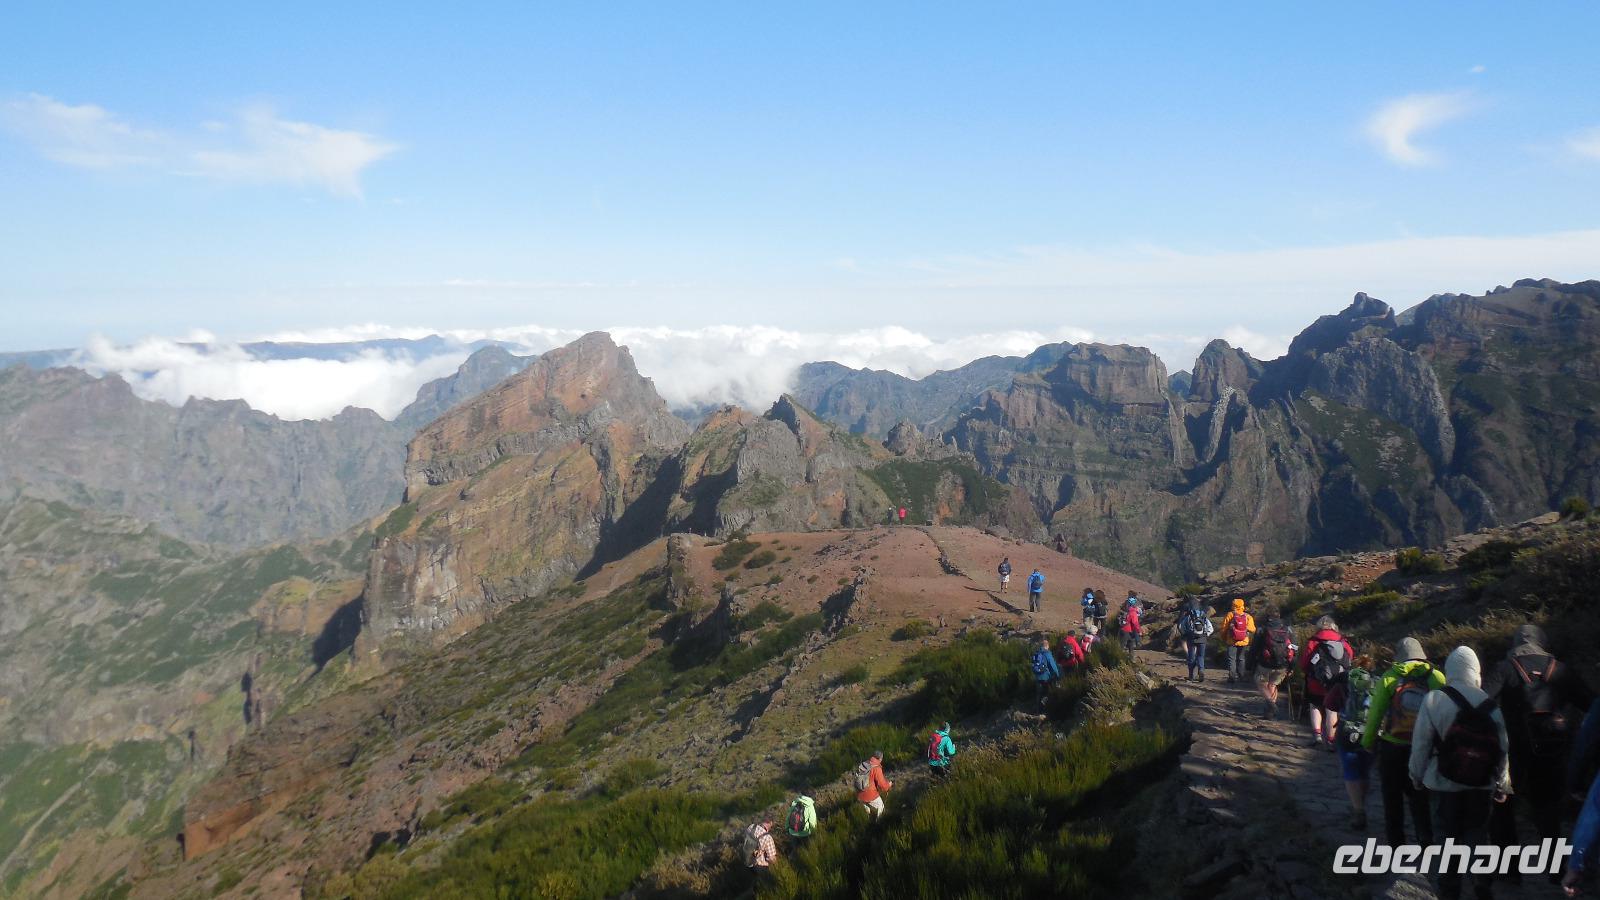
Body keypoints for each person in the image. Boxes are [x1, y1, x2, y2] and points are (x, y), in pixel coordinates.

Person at [1482, 623, 1595, 856]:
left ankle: (1509, 868)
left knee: (1504, 807)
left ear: (1515, 644)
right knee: (1548, 810)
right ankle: (1555, 866)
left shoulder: (1504, 668)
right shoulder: (1561, 670)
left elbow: (1481, 704)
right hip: (1552, 751)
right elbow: (1591, 705)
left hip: (1514, 752)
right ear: (1542, 642)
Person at [1410, 646, 1511, 900]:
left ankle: (1449, 889)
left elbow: (1421, 743)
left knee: (1446, 838)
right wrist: (1503, 784)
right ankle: (1481, 882)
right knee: (1478, 835)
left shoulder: (1434, 699)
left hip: (1443, 783)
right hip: (1481, 784)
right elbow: (1502, 748)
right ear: (1476, 671)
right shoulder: (1490, 705)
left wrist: (1416, 775)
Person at [1363, 637, 1446, 847]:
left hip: (1392, 744)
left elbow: (1376, 713)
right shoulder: (1436, 676)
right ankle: (1425, 837)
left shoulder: (1390, 677)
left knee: (1392, 796)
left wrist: (1368, 741)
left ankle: (1396, 841)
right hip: (1424, 745)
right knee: (1420, 795)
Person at [1327, 654, 1378, 829]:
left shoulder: (1343, 679)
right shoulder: (1379, 680)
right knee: (1365, 770)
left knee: (1350, 769)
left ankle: (1358, 809)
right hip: (1371, 731)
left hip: (1347, 730)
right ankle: (1361, 802)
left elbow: (1330, 703)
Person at [1299, 616, 1353, 750]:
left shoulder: (1314, 641)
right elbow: (1350, 657)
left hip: (1316, 681)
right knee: (1331, 709)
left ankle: (1317, 735)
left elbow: (1305, 662)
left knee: (1315, 705)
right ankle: (1330, 740)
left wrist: (1307, 672)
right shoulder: (1342, 641)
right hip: (1336, 681)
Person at [1251, 612, 1293, 719]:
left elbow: (1254, 648)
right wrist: (1291, 665)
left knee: (1260, 683)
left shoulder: (1262, 629)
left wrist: (1250, 663)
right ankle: (1270, 712)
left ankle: (1271, 704)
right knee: (1272, 685)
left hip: (1265, 663)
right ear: (1279, 617)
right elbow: (1294, 648)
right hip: (1282, 664)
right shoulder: (1288, 629)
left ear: (1268, 617)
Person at [1220, 599, 1256, 684]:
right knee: (1241, 658)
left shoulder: (1230, 614)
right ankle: (1241, 676)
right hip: (1243, 641)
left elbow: (1224, 628)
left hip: (1231, 641)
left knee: (1231, 659)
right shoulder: (1248, 616)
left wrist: (1224, 638)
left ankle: (1232, 677)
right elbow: (1253, 629)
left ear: (1233, 605)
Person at [1178, 596, 1213, 682]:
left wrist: (1185, 634)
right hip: (1202, 638)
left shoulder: (1189, 616)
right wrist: (1206, 634)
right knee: (1200, 656)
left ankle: (1191, 675)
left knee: (1191, 656)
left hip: (1191, 638)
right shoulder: (1203, 616)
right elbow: (1211, 629)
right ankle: (1201, 670)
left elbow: (1180, 627)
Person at [855, 751, 894, 819]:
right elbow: (882, 785)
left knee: (867, 814)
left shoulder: (865, 763)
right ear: (880, 759)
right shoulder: (876, 768)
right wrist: (889, 785)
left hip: (859, 793)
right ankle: (878, 825)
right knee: (880, 807)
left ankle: (866, 823)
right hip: (870, 794)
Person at [744, 817, 778, 882]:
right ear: (770, 823)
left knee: (753, 881)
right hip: (760, 865)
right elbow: (772, 859)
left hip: (748, 860)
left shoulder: (751, 826)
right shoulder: (768, 838)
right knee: (766, 884)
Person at [1033, 637, 1062, 704]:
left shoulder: (1036, 653)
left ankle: (1037, 711)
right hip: (1046, 677)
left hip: (1037, 676)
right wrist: (1057, 675)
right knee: (1047, 693)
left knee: (1039, 694)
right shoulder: (1047, 653)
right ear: (1047, 646)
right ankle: (1044, 709)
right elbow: (1053, 666)